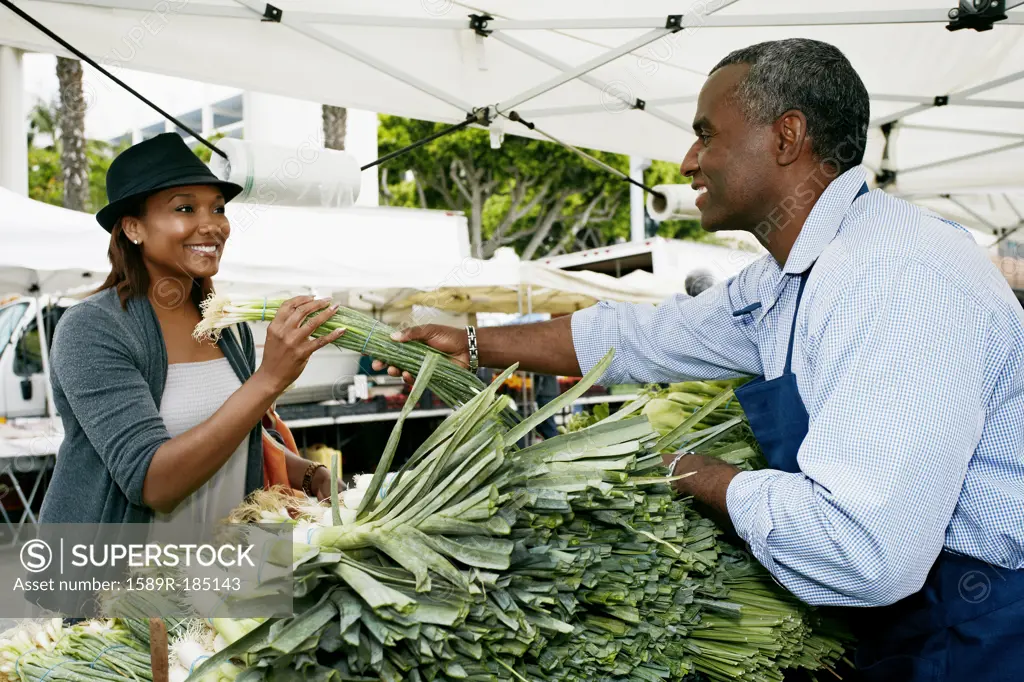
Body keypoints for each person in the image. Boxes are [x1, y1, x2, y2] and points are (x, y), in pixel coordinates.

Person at [373, 39, 1024, 681]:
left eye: (706, 135)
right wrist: (477, 344)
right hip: (917, 614)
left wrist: (692, 473)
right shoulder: (792, 277)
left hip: (980, 620)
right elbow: (644, 336)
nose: (687, 162)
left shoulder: (893, 280)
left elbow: (865, 553)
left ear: (786, 136)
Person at [40, 133, 345, 527]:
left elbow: (227, 434)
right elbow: (153, 484)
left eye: (218, 209)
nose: (212, 226)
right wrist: (269, 379)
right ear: (133, 227)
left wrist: (306, 472)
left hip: (221, 571)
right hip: (119, 579)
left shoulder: (223, 325)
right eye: (185, 208)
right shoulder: (92, 329)